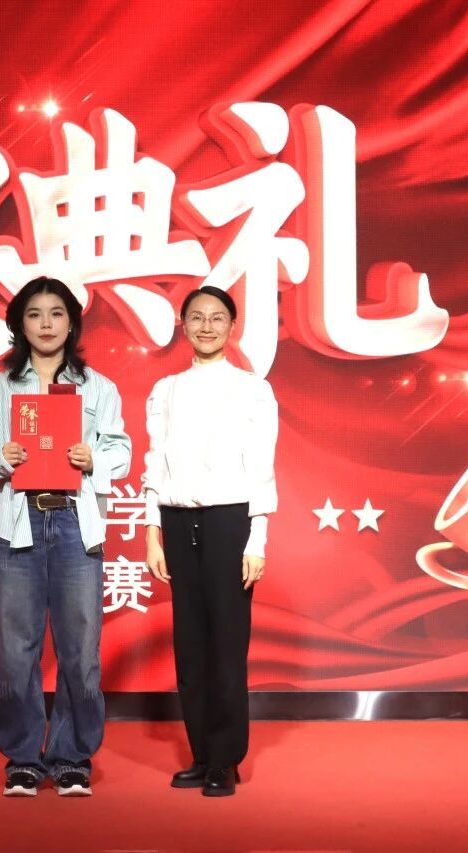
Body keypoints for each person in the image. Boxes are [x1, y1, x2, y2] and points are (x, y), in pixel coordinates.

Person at [0, 276, 132, 797]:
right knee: (17, 648)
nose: (45, 324)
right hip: (19, 525)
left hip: (74, 524)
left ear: (72, 323)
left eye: (56, 313)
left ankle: (71, 756)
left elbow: (122, 452)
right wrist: (2, 458)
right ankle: (21, 756)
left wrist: (93, 458)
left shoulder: (98, 387)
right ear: (20, 324)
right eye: (34, 314)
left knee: (80, 648)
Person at [142, 285, 279, 798]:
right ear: (183, 324)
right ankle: (201, 754)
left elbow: (261, 465)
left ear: (231, 326)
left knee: (226, 646)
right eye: (197, 317)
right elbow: (155, 461)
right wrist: (152, 532)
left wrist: (256, 539)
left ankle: (226, 759)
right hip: (177, 523)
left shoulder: (252, 389)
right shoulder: (167, 389)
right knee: (190, 647)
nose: (206, 326)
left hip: (229, 523)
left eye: (217, 318)